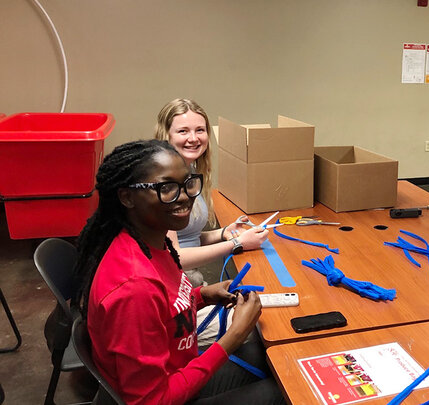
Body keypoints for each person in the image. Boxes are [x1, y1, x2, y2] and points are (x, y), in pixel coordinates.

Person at [71, 139, 285, 404]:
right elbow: (151, 401)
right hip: (167, 395)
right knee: (283, 394)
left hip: (178, 371)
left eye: (187, 184)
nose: (184, 196)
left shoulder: (152, 244)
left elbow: (164, 310)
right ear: (126, 196)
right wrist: (234, 336)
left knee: (275, 360)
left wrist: (202, 295)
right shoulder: (134, 288)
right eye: (166, 188)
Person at [154, 98, 268, 288]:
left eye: (200, 130)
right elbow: (175, 257)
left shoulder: (188, 173)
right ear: (167, 136)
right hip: (170, 288)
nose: (193, 138)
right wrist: (237, 243)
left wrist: (224, 232)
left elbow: (188, 238)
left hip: (189, 280)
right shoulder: (164, 184)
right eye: (183, 131)